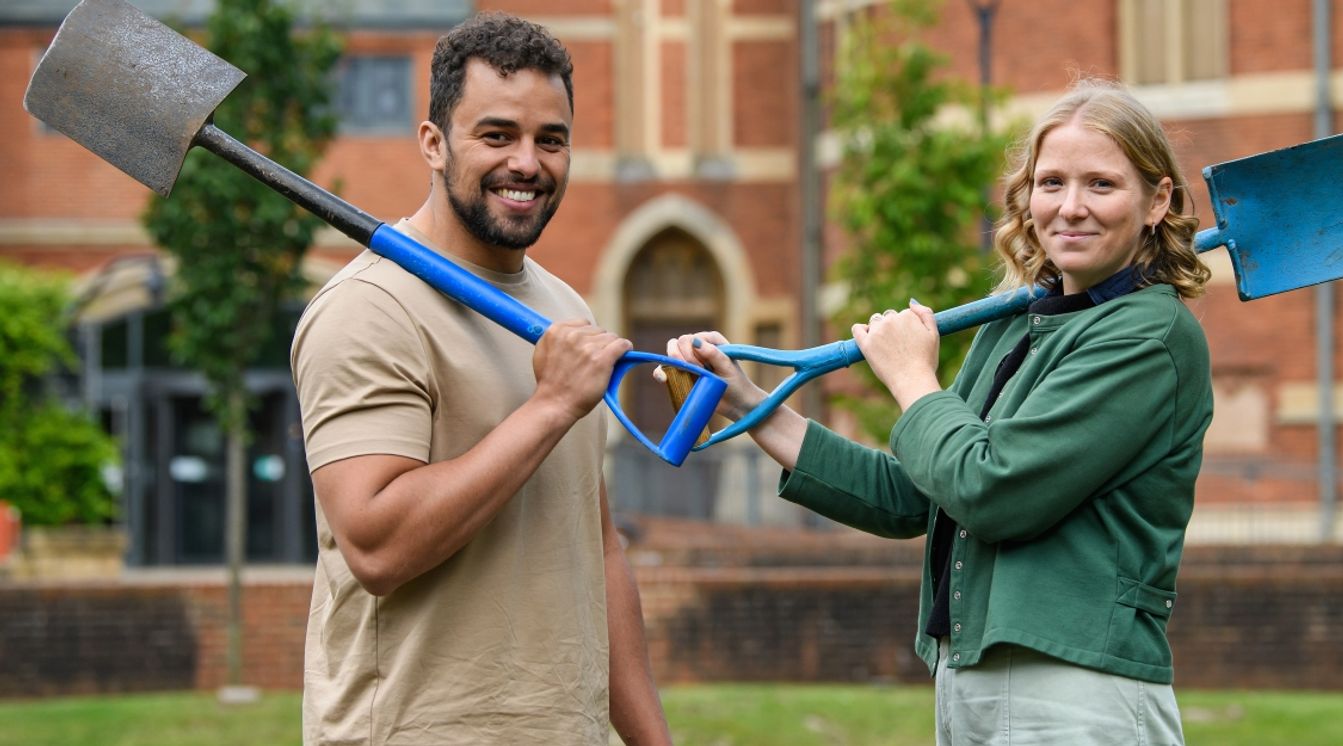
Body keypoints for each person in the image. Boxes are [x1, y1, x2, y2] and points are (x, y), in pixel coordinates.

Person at [667, 78, 1213, 745]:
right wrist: (752, 406)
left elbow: (992, 489)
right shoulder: (1016, 323)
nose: (1071, 207)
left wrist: (911, 377)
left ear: (1157, 201)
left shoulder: (1148, 337)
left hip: (1075, 690)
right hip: (966, 680)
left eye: (1101, 185)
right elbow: (916, 493)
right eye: (1051, 183)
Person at [291, 12, 671, 746]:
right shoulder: (369, 309)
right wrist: (551, 405)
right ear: (433, 143)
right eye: (497, 135)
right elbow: (376, 548)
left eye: (550, 140)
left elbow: (596, 550)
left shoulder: (564, 310)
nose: (527, 163)